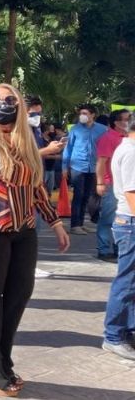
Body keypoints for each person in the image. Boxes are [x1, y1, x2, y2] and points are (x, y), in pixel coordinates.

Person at [0, 84, 70, 397]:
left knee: (20, 294)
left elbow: (36, 189)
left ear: (19, 105)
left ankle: (2, 361)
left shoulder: (26, 141)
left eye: (10, 100)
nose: (3, 105)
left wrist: (56, 223)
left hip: (25, 229)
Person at [101, 116, 135, 361]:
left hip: (127, 221)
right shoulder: (132, 152)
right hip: (131, 222)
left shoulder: (126, 147)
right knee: (126, 282)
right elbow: (132, 194)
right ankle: (113, 336)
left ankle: (128, 330)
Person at [24, 95, 67, 279]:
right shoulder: (19, 131)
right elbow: (21, 157)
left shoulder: (35, 130)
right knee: (29, 228)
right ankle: (25, 267)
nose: (37, 115)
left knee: (35, 227)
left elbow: (37, 154)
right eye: (33, 112)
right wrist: (48, 150)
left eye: (39, 112)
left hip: (36, 182)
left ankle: (29, 265)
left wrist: (53, 149)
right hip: (23, 186)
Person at [62, 104, 108, 235]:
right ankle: (75, 225)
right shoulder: (75, 129)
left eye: (85, 113)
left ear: (93, 115)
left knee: (87, 196)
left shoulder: (103, 129)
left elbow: (106, 147)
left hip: (94, 166)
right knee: (78, 195)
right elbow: (68, 149)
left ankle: (81, 223)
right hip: (78, 166)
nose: (82, 115)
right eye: (81, 113)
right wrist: (65, 167)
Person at [95, 109, 131, 262]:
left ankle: (119, 248)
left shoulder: (127, 138)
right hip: (111, 184)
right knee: (108, 218)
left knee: (122, 218)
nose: (129, 122)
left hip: (125, 184)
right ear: (117, 123)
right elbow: (101, 162)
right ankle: (104, 250)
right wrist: (100, 182)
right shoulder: (108, 138)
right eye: (126, 119)